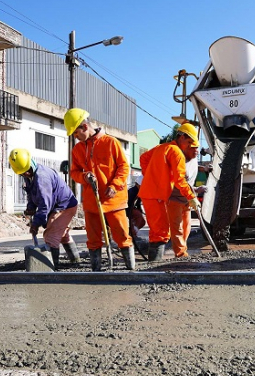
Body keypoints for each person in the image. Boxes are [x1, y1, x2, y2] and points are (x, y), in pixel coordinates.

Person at [64, 108, 134, 271]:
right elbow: (74, 173)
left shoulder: (111, 142)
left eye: (76, 133)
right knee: (93, 238)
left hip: (113, 199)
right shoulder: (78, 150)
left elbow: (124, 166)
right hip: (91, 202)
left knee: (122, 234)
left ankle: (131, 269)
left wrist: (114, 185)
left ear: (84, 126)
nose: (75, 137)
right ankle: (96, 269)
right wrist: (84, 177)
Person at [138, 123, 201, 261]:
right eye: (189, 142)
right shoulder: (176, 152)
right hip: (157, 195)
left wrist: (150, 174)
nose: (189, 146)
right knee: (161, 232)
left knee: (157, 230)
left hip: (149, 193)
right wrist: (191, 197)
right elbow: (180, 180)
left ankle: (153, 264)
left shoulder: (162, 147)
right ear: (181, 137)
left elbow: (143, 158)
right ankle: (154, 266)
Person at [9, 148, 79, 268]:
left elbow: (44, 205)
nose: (25, 174)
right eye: (22, 173)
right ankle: (75, 261)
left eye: (26, 171)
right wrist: (30, 207)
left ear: (30, 163)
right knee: (61, 234)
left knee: (51, 236)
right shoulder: (29, 173)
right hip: (57, 205)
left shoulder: (42, 178)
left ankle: (51, 267)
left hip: (65, 206)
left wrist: (36, 224)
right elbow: (31, 193)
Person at [167, 127, 211, 258]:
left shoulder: (192, 158)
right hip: (174, 198)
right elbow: (180, 180)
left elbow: (192, 171)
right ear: (185, 147)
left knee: (186, 228)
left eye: (197, 148)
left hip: (187, 198)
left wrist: (204, 169)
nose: (196, 151)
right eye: (193, 148)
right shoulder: (178, 158)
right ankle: (180, 255)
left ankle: (182, 250)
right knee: (177, 228)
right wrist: (194, 193)